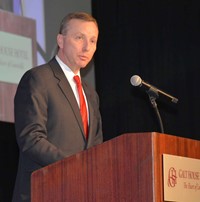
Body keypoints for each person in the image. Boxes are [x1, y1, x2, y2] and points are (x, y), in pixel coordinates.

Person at [12, 12, 103, 202]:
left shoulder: (91, 94)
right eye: (79, 38)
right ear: (60, 41)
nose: (87, 47)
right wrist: (75, 165)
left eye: (93, 41)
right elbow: (31, 139)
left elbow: (96, 148)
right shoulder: (38, 79)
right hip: (44, 192)